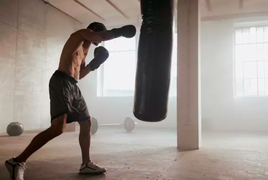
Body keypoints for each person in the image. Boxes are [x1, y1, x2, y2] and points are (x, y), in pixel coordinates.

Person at [5, 22, 136, 180]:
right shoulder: (79, 35)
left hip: (73, 86)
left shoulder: (85, 51)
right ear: (93, 31)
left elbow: (80, 75)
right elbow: (101, 36)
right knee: (58, 128)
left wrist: (96, 63)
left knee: (86, 123)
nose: (100, 40)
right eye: (101, 35)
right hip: (60, 82)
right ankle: (17, 162)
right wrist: (120, 32)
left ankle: (86, 163)